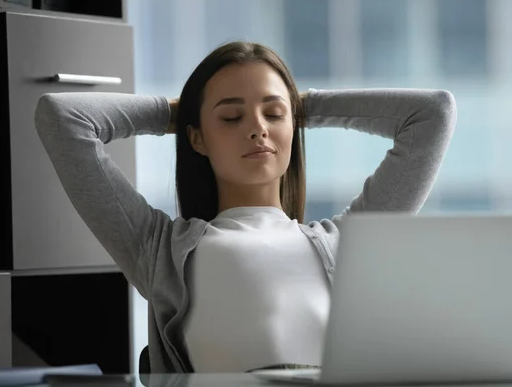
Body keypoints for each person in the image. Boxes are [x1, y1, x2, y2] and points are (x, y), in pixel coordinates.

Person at [34, 41, 457, 374]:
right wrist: (180, 115)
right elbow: (64, 118)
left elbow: (432, 113)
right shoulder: (158, 248)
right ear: (198, 139)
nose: (257, 128)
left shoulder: (347, 244)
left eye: (273, 114)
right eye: (232, 118)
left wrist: (303, 107)